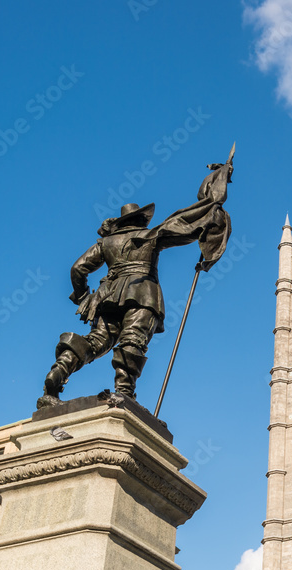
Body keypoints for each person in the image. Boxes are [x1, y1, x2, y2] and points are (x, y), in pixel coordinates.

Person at [37, 157, 233, 408]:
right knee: (133, 339)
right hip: (142, 293)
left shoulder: (106, 243)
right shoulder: (150, 235)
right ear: (141, 220)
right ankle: (124, 392)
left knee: (96, 341)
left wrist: (84, 296)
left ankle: (59, 371)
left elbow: (77, 269)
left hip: (106, 297)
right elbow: (186, 227)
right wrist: (211, 212)